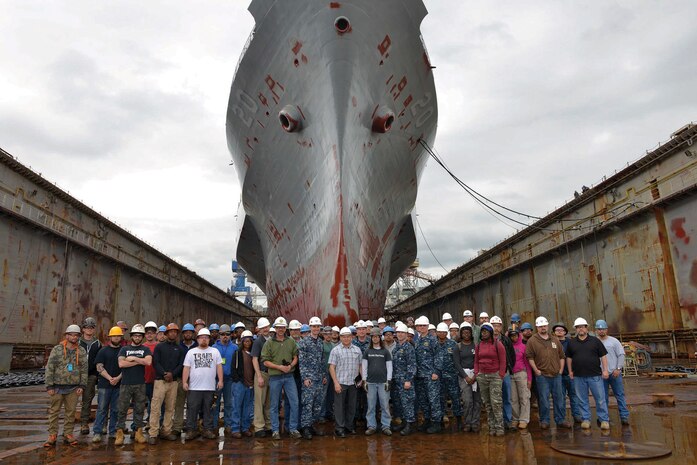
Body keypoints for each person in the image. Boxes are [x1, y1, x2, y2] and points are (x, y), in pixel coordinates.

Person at [44, 324, 88, 447]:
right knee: (54, 412)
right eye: (71, 335)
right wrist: (49, 386)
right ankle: (52, 434)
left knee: (71, 412)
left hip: (73, 388)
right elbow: (50, 367)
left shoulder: (81, 351)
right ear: (67, 335)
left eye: (76, 335)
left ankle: (68, 434)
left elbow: (84, 369)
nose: (74, 337)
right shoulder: (57, 349)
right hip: (57, 387)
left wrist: (82, 385)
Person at [525, 317, 570, 430]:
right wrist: (536, 371)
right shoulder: (532, 341)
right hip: (542, 376)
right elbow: (530, 357)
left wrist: (560, 371)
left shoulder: (555, 340)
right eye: (540, 326)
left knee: (559, 398)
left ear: (547, 326)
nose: (543, 328)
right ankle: (545, 420)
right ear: (537, 327)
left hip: (556, 375)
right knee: (543, 399)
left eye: (544, 326)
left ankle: (560, 419)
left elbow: (562, 356)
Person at [566, 318, 610, 430]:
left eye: (582, 326)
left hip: (595, 375)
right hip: (578, 376)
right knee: (582, 399)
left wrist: (605, 370)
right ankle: (586, 419)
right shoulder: (571, 343)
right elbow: (569, 358)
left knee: (600, 398)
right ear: (575, 329)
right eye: (578, 327)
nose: (580, 329)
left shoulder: (595, 341)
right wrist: (570, 371)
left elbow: (603, 356)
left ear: (586, 328)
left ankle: (604, 419)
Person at [261, 317, 301, 439]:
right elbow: (265, 361)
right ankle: (275, 430)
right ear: (275, 328)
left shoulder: (291, 342)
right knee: (274, 405)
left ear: (285, 328)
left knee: (295, 402)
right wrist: (279, 367)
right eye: (278, 327)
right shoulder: (269, 343)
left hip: (289, 376)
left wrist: (290, 366)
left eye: (283, 327)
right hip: (275, 377)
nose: (281, 330)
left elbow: (295, 356)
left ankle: (293, 429)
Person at [182, 328, 223, 441]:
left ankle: (207, 430)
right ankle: (191, 430)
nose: (204, 339)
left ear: (209, 339)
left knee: (208, 410)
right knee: (192, 409)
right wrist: (185, 382)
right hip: (194, 387)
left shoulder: (215, 352)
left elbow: (219, 367)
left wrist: (220, 380)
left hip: (209, 387)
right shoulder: (191, 352)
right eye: (201, 337)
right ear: (198, 339)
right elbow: (186, 368)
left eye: (206, 337)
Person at [148, 323, 185, 444]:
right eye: (171, 331)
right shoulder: (159, 347)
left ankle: (166, 431)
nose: (173, 333)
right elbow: (155, 362)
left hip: (173, 382)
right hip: (160, 381)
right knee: (156, 407)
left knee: (170, 408)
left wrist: (172, 374)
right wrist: (164, 373)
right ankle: (153, 433)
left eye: (175, 332)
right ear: (167, 333)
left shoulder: (179, 349)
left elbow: (181, 365)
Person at [115, 324, 152, 445]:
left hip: (140, 384)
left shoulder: (145, 349)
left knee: (140, 408)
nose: (137, 337)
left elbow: (148, 362)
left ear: (142, 337)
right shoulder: (124, 349)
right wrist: (139, 361)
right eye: (135, 335)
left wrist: (133, 358)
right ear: (131, 336)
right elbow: (121, 364)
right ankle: (119, 433)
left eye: (139, 336)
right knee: (122, 409)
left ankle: (138, 432)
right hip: (126, 383)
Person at [328, 327, 363, 438]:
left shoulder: (357, 350)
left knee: (352, 406)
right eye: (343, 336)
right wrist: (336, 383)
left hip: (353, 383)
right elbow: (331, 368)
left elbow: (360, 365)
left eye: (348, 336)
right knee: (339, 407)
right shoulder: (336, 350)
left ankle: (349, 426)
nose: (346, 338)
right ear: (340, 337)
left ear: (352, 337)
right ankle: (340, 428)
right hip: (341, 382)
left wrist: (361, 379)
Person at [595, 319, 630, 425]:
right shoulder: (594, 342)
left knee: (619, 395)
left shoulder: (614, 341)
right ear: (596, 330)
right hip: (601, 375)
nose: (601, 331)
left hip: (614, 374)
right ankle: (604, 418)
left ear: (607, 329)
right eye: (599, 329)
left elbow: (621, 355)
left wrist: (618, 368)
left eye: (603, 329)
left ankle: (624, 416)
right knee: (602, 397)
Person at [474, 323, 506, 436]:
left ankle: (499, 427)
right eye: (482, 331)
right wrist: (477, 373)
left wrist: (501, 375)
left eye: (486, 331)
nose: (484, 333)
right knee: (487, 403)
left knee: (496, 402)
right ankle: (491, 426)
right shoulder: (479, 345)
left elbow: (503, 360)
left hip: (495, 376)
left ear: (491, 332)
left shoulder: (498, 344)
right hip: (482, 376)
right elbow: (476, 361)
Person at [92, 326, 123, 443]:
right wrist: (110, 378)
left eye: (118, 336)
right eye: (114, 336)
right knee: (101, 409)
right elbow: (99, 367)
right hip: (104, 385)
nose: (116, 337)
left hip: (118, 385)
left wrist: (118, 378)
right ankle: (97, 432)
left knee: (115, 410)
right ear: (110, 337)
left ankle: (113, 431)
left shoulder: (124, 351)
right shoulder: (103, 351)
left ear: (121, 337)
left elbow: (125, 367)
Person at [298, 316, 327, 439]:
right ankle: (305, 427)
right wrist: (305, 377)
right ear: (310, 327)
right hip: (309, 379)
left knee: (317, 405)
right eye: (314, 326)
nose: (316, 328)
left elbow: (322, 360)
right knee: (307, 404)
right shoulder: (303, 342)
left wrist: (324, 375)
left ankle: (311, 425)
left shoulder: (320, 342)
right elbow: (302, 361)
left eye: (317, 326)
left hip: (319, 378)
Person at [362, 327, 393, 436]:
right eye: (373, 337)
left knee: (385, 405)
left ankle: (386, 426)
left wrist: (388, 380)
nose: (375, 338)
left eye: (377, 337)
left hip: (383, 382)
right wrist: (364, 380)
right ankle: (371, 426)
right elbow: (364, 367)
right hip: (370, 383)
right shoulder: (367, 351)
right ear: (371, 338)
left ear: (380, 338)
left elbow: (389, 367)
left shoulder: (385, 352)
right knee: (371, 406)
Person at [414, 316, 441, 434]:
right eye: (420, 326)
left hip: (431, 375)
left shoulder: (433, 339)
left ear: (428, 326)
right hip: (420, 376)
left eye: (424, 326)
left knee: (433, 399)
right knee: (423, 400)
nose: (422, 327)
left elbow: (439, 356)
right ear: (417, 327)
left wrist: (436, 371)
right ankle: (427, 420)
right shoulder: (417, 340)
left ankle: (436, 422)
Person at [454, 322, 480, 432]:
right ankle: (467, 422)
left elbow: (478, 361)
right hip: (463, 376)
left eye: (468, 332)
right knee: (467, 400)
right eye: (464, 333)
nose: (466, 335)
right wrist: (466, 377)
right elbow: (457, 363)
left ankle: (475, 423)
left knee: (477, 400)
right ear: (461, 334)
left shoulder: (476, 346)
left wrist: (475, 375)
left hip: (475, 375)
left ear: (471, 333)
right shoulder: (458, 347)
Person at [435, 322, 463, 429]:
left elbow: (457, 360)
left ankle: (459, 419)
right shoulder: (434, 344)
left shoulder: (453, 344)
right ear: (437, 333)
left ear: (446, 332)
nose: (441, 334)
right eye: (439, 332)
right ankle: (442, 418)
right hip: (439, 377)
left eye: (443, 332)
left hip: (452, 376)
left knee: (455, 398)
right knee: (441, 399)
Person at [390, 323, 416, 436]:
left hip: (405, 381)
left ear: (406, 334)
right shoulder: (396, 348)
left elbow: (412, 365)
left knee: (407, 403)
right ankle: (404, 422)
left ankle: (409, 424)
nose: (400, 334)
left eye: (402, 333)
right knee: (399, 403)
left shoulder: (408, 347)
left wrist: (408, 380)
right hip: (396, 380)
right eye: (398, 333)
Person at [212, 324, 238, 435]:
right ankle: (214, 425)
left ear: (231, 335)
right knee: (214, 404)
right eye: (222, 334)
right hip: (216, 380)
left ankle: (228, 425)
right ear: (219, 335)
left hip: (229, 380)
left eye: (227, 334)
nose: (225, 336)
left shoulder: (235, 348)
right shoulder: (213, 348)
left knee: (229, 403)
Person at [491, 316, 516, 431]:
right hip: (491, 374)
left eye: (498, 325)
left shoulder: (506, 340)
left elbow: (512, 355)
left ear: (501, 327)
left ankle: (508, 420)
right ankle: (497, 422)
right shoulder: (486, 340)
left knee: (507, 397)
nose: (496, 328)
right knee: (494, 399)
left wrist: (508, 368)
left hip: (504, 373)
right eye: (494, 325)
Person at [554, 322, 582, 423]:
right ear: (554, 332)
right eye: (557, 330)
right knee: (560, 397)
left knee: (574, 396)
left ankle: (577, 415)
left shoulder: (571, 343)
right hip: (558, 375)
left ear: (565, 332)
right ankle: (561, 418)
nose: (559, 332)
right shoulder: (552, 343)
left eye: (561, 330)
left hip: (570, 374)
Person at [230, 330, 255, 438]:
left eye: (249, 341)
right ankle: (235, 429)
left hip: (250, 384)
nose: (247, 343)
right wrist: (237, 380)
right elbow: (233, 368)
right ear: (242, 342)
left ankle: (245, 428)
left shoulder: (254, 354)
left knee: (247, 408)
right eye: (245, 341)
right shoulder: (237, 353)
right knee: (236, 407)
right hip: (239, 384)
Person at [173, 323, 196, 435]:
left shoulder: (197, 346)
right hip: (180, 379)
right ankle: (177, 426)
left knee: (192, 404)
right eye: (186, 332)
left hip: (195, 380)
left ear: (193, 334)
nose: (188, 334)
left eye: (190, 332)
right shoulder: (178, 347)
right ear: (183, 334)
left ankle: (190, 426)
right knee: (179, 404)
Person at [79, 317, 101, 435]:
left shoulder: (97, 344)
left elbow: (99, 361)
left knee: (86, 400)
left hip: (91, 376)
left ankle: (84, 423)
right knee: (70, 401)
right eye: (87, 327)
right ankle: (67, 426)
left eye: (91, 327)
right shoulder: (77, 342)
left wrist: (97, 375)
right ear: (83, 329)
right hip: (75, 376)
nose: (89, 330)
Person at [251, 317, 272, 437]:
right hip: (262, 373)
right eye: (263, 327)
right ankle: (259, 427)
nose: (265, 329)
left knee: (269, 401)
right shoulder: (258, 342)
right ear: (259, 329)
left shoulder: (271, 339)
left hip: (272, 374)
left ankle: (268, 425)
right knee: (259, 402)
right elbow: (254, 359)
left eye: (266, 327)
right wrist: (259, 376)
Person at [508, 328, 532, 429]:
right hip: (511, 375)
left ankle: (524, 419)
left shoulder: (523, 347)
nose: (514, 337)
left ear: (519, 336)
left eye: (515, 335)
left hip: (522, 374)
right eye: (511, 336)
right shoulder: (507, 347)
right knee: (513, 398)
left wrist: (529, 379)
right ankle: (515, 419)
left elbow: (527, 364)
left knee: (524, 397)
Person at [320, 326, 338, 422]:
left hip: (333, 372)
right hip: (324, 372)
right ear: (323, 335)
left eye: (330, 334)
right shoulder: (321, 345)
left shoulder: (333, 346)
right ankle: (321, 415)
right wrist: (322, 374)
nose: (328, 336)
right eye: (326, 334)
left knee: (331, 395)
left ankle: (329, 413)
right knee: (323, 394)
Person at [143, 321, 159, 423]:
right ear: (145, 334)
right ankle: (137, 426)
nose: (149, 335)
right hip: (142, 379)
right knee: (140, 403)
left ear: (155, 334)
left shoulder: (159, 346)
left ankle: (152, 421)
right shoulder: (141, 346)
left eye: (152, 333)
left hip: (156, 379)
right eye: (147, 333)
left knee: (154, 402)